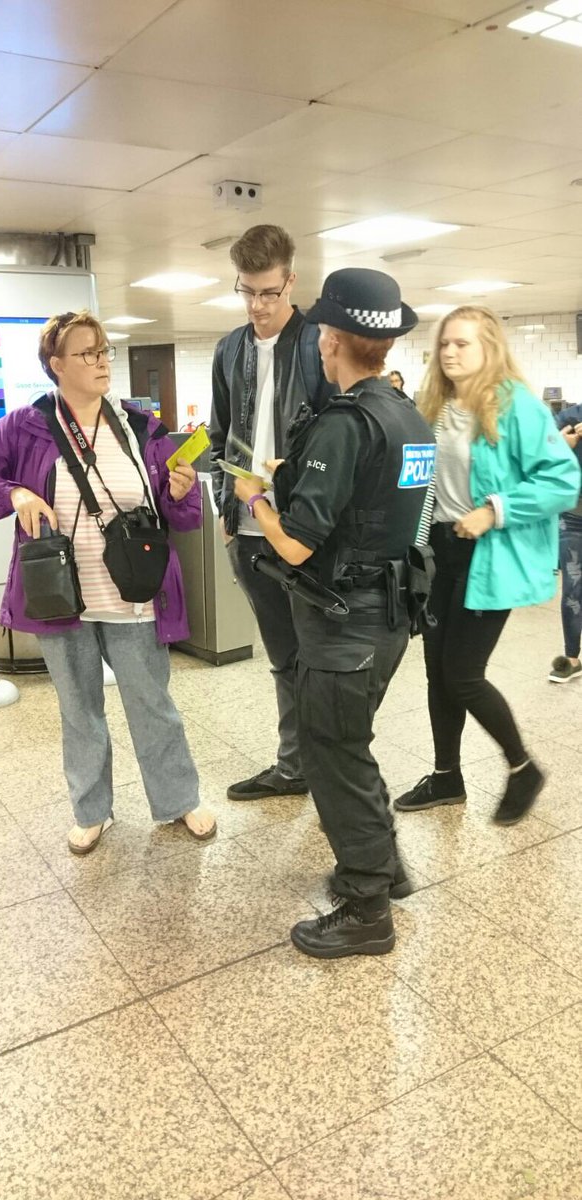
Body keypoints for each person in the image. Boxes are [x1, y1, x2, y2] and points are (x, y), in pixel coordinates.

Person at [0, 310, 216, 853]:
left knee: (152, 704)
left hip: (133, 594)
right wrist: (14, 494)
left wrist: (182, 490)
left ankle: (178, 798)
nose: (100, 361)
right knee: (79, 712)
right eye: (86, 353)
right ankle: (92, 810)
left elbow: (181, 515)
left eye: (103, 350)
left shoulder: (140, 428)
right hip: (61, 597)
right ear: (56, 364)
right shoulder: (23, 426)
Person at [233, 267, 436, 959]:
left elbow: (295, 544)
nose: (317, 340)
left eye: (320, 329)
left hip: (342, 622)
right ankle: (386, 866)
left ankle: (365, 907)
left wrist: (256, 497)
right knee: (351, 744)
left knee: (331, 754)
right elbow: (384, 506)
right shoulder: (408, 417)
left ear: (332, 340)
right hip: (390, 614)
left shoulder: (345, 424)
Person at [393, 306, 580, 826]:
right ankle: (446, 777)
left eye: (463, 344)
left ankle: (523, 768)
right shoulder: (433, 405)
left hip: (489, 555)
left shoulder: (517, 407)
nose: (450, 352)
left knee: (462, 674)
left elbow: (562, 481)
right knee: (437, 673)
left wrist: (495, 510)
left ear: (489, 348)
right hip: (438, 553)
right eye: (444, 344)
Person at [209, 224, 326, 803]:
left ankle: (326, 764)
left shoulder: (318, 345)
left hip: (304, 534)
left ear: (291, 282)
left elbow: (337, 437)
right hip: (249, 533)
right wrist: (225, 509)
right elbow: (219, 436)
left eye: (268, 293)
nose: (257, 305)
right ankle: (295, 765)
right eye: (247, 291)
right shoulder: (229, 349)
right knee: (282, 657)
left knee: (319, 659)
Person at [549, 401, 582, 682]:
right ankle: (572, 657)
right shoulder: (570, 417)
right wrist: (562, 443)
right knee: (572, 588)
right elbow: (540, 452)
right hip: (573, 517)